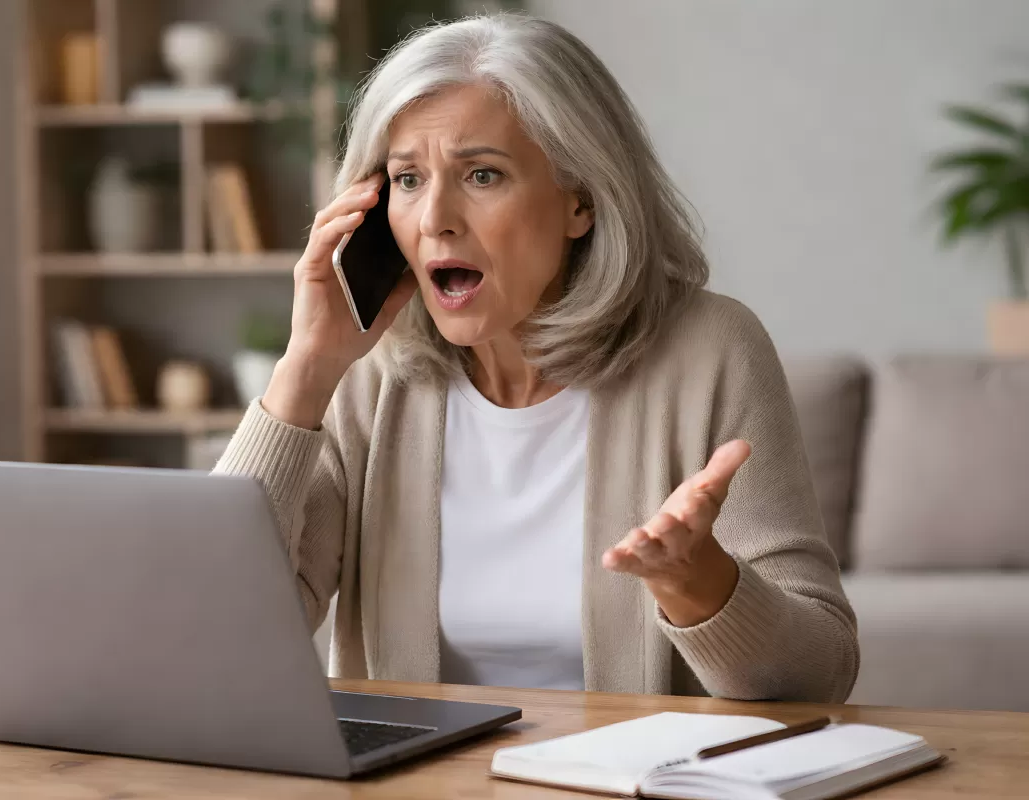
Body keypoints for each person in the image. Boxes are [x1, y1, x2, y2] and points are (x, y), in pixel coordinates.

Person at [214, 13, 859, 702]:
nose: (435, 219)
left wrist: (700, 582)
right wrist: (306, 369)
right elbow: (213, 634)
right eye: (407, 179)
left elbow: (820, 675)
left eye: (482, 174)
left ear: (579, 200)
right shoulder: (366, 375)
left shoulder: (712, 350)